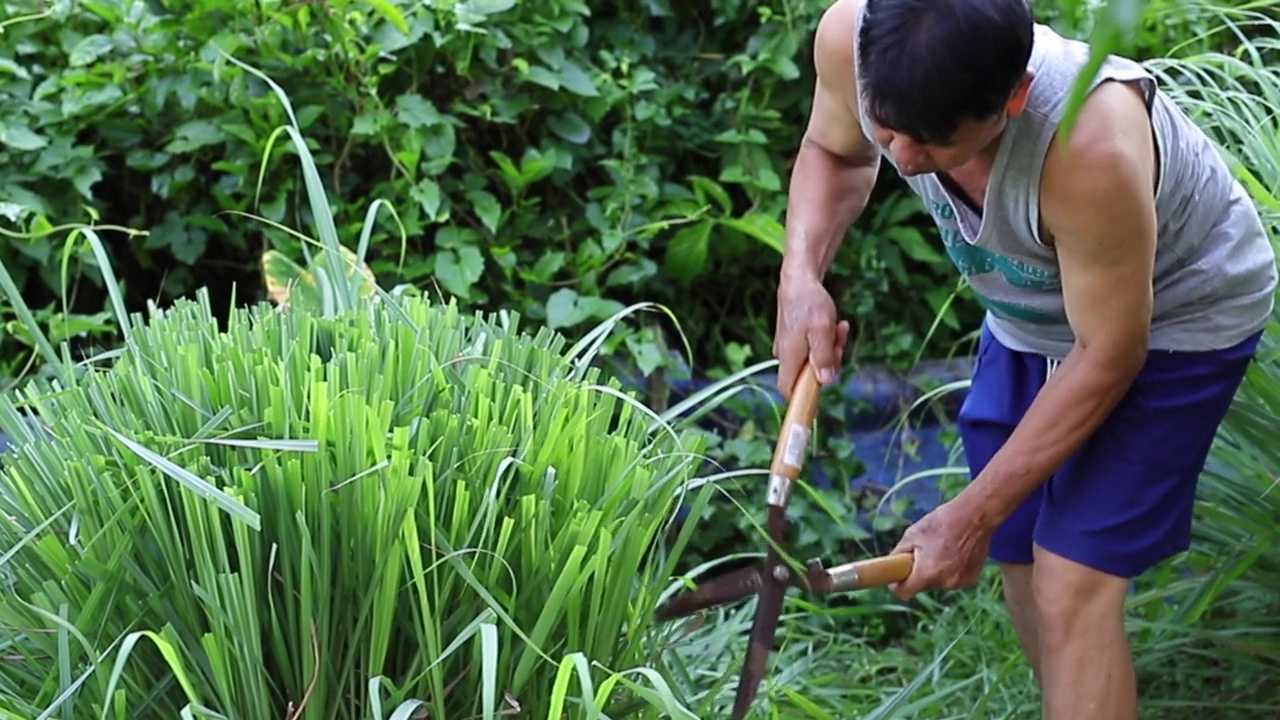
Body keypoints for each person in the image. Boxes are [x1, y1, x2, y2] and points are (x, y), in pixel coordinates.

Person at [771, 0, 1278, 717]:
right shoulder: (848, 39)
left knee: (1072, 576)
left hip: (1174, 313)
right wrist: (801, 277)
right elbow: (833, 150)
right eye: (889, 129)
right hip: (1029, 304)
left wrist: (966, 516)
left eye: (935, 144)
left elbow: (1109, 351)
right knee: (1020, 547)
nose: (904, 160)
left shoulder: (1087, 143)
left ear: (1012, 98)